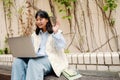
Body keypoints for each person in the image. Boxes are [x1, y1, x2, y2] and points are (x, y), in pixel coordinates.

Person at [11, 10, 68, 80]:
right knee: (18, 61)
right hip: (36, 58)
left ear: (47, 20)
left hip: (50, 59)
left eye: (41, 19)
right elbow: (30, 48)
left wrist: (55, 33)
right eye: (37, 20)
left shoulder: (55, 32)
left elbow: (62, 46)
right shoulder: (35, 35)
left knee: (33, 63)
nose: (38, 22)